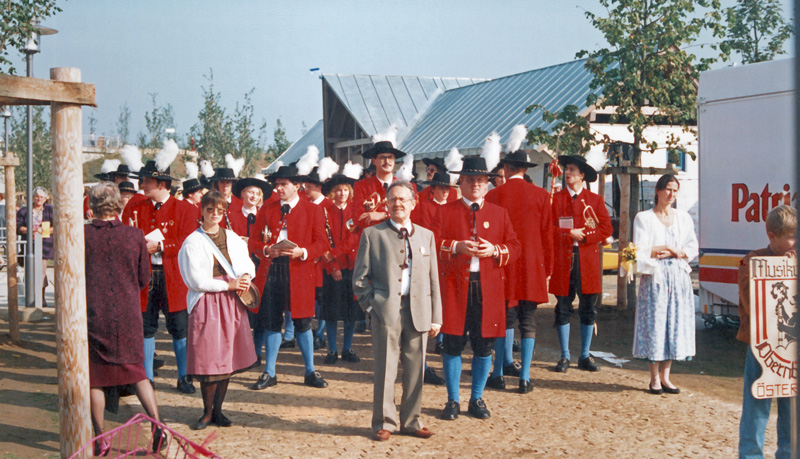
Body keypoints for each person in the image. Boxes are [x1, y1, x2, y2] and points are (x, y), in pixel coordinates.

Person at [353, 181, 442, 441]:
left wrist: (436, 316)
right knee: (385, 368)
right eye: (392, 199)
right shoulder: (373, 234)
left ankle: (412, 421)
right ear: (386, 204)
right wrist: (372, 306)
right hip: (386, 311)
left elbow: (433, 279)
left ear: (414, 203)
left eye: (403, 199)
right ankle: (384, 422)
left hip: (419, 311)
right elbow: (359, 280)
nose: (398, 204)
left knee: (416, 369)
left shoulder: (426, 235)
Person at [84, 183, 166, 455]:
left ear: (92, 206)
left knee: (96, 377)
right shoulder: (135, 236)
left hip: (95, 313)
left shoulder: (82, 235)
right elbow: (144, 279)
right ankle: (157, 427)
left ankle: (100, 437)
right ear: (118, 205)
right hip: (128, 314)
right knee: (137, 372)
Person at [436, 156, 519, 421]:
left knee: (484, 346)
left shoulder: (499, 213)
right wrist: (455, 247)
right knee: (452, 343)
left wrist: (495, 250)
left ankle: (476, 398)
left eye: (480, 180)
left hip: (488, 288)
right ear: (459, 183)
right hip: (454, 287)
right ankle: (452, 400)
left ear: (487, 185)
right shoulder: (445, 211)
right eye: (469, 180)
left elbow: (515, 248)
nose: (475, 184)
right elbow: (431, 243)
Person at [178, 190, 257, 430]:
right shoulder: (193, 241)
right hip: (208, 302)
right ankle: (206, 412)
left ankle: (218, 411)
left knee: (227, 359)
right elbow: (195, 281)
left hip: (232, 302)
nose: (215, 214)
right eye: (210, 209)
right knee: (209, 359)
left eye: (219, 211)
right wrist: (228, 284)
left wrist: (244, 277)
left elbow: (247, 264)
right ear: (202, 210)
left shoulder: (231, 236)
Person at [121, 160, 201, 394]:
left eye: (146, 181)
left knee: (179, 326)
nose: (142, 185)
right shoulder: (135, 206)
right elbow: (126, 234)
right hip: (144, 275)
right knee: (145, 326)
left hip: (174, 277)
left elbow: (189, 241)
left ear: (162, 184)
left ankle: (184, 376)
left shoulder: (185, 209)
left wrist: (163, 246)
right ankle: (147, 379)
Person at [248, 164, 329, 390]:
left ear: (297, 186)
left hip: (300, 270)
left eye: (283, 184)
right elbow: (254, 241)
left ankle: (310, 371)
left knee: (303, 322)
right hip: (272, 270)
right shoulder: (267, 208)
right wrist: (265, 250)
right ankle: (270, 371)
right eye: (277, 184)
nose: (279, 188)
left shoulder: (312, 210)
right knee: (272, 321)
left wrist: (302, 252)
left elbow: (322, 243)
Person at [485, 150, 552, 394]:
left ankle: (499, 374)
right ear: (525, 169)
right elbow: (547, 235)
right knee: (529, 320)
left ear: (506, 167)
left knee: (504, 318)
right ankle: (524, 377)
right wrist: (548, 267)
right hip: (533, 264)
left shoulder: (493, 195)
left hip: (503, 262)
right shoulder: (542, 196)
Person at [737, 205, 796, 458]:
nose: (795, 243)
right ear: (772, 236)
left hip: (792, 347)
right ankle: (750, 454)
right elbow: (750, 304)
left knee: (792, 405)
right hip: (761, 345)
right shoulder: (752, 261)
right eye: (791, 237)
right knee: (756, 404)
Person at [632, 174, 698, 394]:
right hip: (655, 276)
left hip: (678, 276)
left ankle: (666, 376)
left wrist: (675, 252)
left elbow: (691, 247)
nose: (671, 195)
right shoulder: (644, 218)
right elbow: (640, 249)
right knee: (656, 324)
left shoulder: (683, 218)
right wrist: (669, 249)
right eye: (668, 189)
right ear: (658, 191)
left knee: (673, 324)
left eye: (675, 190)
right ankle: (653, 378)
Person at [550, 155, 612, 373]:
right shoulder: (556, 199)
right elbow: (548, 228)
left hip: (587, 261)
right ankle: (564, 355)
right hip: (564, 260)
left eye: (573, 170)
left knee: (588, 308)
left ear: (582, 175)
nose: (568, 173)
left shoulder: (594, 200)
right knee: (563, 307)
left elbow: (606, 228)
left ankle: (584, 355)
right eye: (566, 169)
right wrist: (568, 234)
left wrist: (585, 235)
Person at [319, 174, 362, 364]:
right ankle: (332, 349)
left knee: (351, 312)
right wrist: (333, 265)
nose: (342, 193)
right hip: (333, 269)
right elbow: (323, 241)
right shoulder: (324, 212)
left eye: (345, 189)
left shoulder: (355, 211)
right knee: (332, 312)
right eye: (338, 190)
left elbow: (354, 239)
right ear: (332, 193)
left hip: (353, 266)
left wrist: (334, 253)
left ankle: (347, 348)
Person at [353, 141, 404, 228]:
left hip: (397, 237)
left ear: (394, 160)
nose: (387, 161)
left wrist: (383, 215)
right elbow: (358, 219)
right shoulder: (361, 186)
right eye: (382, 158)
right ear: (374, 161)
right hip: (372, 238)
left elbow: (409, 216)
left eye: (390, 157)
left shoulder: (404, 187)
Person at [17, 186, 54, 303]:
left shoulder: (50, 209)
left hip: (44, 246)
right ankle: (31, 297)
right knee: (30, 272)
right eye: (37, 196)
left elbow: (57, 224)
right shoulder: (24, 211)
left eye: (42, 197)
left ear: (46, 198)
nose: (39, 199)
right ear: (33, 197)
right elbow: (18, 227)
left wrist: (44, 231)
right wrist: (32, 230)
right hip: (28, 246)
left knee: (41, 272)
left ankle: (41, 298)